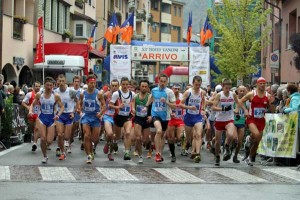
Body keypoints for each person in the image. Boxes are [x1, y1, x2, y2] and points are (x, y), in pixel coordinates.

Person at [240, 77, 275, 166]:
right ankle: (250, 138)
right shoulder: (251, 94)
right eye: (261, 83)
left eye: (264, 83)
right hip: (252, 119)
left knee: (257, 140)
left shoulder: (268, 96)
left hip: (261, 120)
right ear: (257, 84)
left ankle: (250, 157)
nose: (262, 85)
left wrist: (271, 103)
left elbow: (272, 110)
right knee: (256, 134)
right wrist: (245, 110)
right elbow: (240, 101)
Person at [29, 77, 64, 164]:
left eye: (51, 85)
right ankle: (44, 156)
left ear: (53, 86)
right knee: (43, 138)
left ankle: (46, 148)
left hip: (51, 119)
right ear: (44, 85)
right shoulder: (39, 95)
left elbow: (62, 106)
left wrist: (58, 115)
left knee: (49, 141)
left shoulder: (55, 96)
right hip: (42, 118)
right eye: (47, 85)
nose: (49, 87)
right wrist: (30, 111)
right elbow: (32, 104)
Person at [145, 74, 176, 162]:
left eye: (164, 81)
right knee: (158, 131)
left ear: (167, 82)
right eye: (161, 81)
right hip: (155, 114)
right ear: (158, 81)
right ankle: (157, 153)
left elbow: (174, 106)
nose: (162, 83)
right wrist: (146, 106)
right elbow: (151, 98)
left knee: (162, 136)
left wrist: (166, 102)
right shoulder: (154, 90)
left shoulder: (169, 92)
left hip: (165, 117)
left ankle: (160, 153)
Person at [212, 79, 242, 166]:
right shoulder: (219, 95)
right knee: (217, 141)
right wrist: (223, 109)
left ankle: (227, 147)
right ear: (222, 87)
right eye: (226, 88)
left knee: (231, 135)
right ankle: (217, 156)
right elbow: (213, 107)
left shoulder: (233, 94)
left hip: (229, 118)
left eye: (229, 88)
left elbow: (238, 102)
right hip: (219, 119)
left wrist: (237, 109)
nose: (228, 90)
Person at [79, 75, 106, 164]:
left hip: (95, 117)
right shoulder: (83, 94)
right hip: (86, 116)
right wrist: (80, 112)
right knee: (87, 135)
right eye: (91, 83)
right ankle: (89, 155)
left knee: (94, 138)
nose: (93, 85)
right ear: (87, 83)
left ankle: (92, 146)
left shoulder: (99, 93)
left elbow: (104, 105)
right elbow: (79, 104)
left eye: (94, 83)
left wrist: (101, 113)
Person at [109, 77, 134, 160]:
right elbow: (110, 105)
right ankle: (115, 142)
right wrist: (118, 106)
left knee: (127, 133)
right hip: (118, 117)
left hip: (127, 116)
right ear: (121, 85)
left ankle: (127, 152)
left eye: (127, 84)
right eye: (123, 84)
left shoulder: (132, 94)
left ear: (129, 85)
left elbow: (133, 103)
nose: (125, 86)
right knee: (117, 136)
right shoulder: (116, 94)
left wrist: (133, 109)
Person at [54, 74, 78, 160]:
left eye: (62, 81)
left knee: (67, 136)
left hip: (69, 115)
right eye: (59, 81)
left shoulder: (71, 92)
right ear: (57, 81)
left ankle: (62, 146)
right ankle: (62, 151)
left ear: (65, 82)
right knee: (60, 134)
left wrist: (74, 113)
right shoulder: (55, 92)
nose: (61, 83)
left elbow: (77, 102)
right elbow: (52, 103)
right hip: (60, 115)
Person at [131, 79, 152, 164]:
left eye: (145, 87)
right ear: (139, 87)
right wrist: (133, 110)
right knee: (138, 138)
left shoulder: (150, 96)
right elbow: (132, 106)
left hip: (146, 119)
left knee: (146, 140)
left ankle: (146, 146)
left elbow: (152, 107)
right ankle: (140, 156)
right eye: (142, 86)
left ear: (147, 88)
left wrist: (151, 116)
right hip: (138, 119)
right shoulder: (135, 96)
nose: (143, 88)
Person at [102, 79, 119, 161]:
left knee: (114, 137)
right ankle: (107, 143)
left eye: (116, 86)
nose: (115, 87)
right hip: (107, 116)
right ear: (110, 86)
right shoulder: (106, 95)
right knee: (110, 133)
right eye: (113, 86)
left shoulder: (120, 95)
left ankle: (110, 153)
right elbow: (102, 105)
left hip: (116, 117)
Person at [167, 84, 184, 162]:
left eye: (178, 89)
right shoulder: (169, 96)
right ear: (172, 89)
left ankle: (182, 145)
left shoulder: (182, 97)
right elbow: (167, 106)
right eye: (175, 89)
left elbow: (185, 106)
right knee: (171, 139)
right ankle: (173, 154)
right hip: (171, 120)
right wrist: (170, 113)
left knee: (180, 137)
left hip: (180, 119)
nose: (177, 90)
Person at [22, 81, 41, 151]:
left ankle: (35, 143)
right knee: (32, 128)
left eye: (39, 86)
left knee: (36, 128)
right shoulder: (29, 94)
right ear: (33, 87)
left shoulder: (42, 95)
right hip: (31, 114)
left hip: (39, 114)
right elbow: (23, 102)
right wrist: (27, 107)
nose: (37, 88)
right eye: (36, 86)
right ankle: (35, 136)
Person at [232, 85, 248, 163]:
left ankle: (235, 156)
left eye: (243, 91)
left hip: (242, 122)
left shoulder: (247, 101)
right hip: (234, 122)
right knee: (235, 138)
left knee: (240, 141)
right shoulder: (234, 99)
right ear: (237, 91)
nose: (242, 92)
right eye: (240, 91)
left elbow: (248, 110)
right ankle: (230, 148)